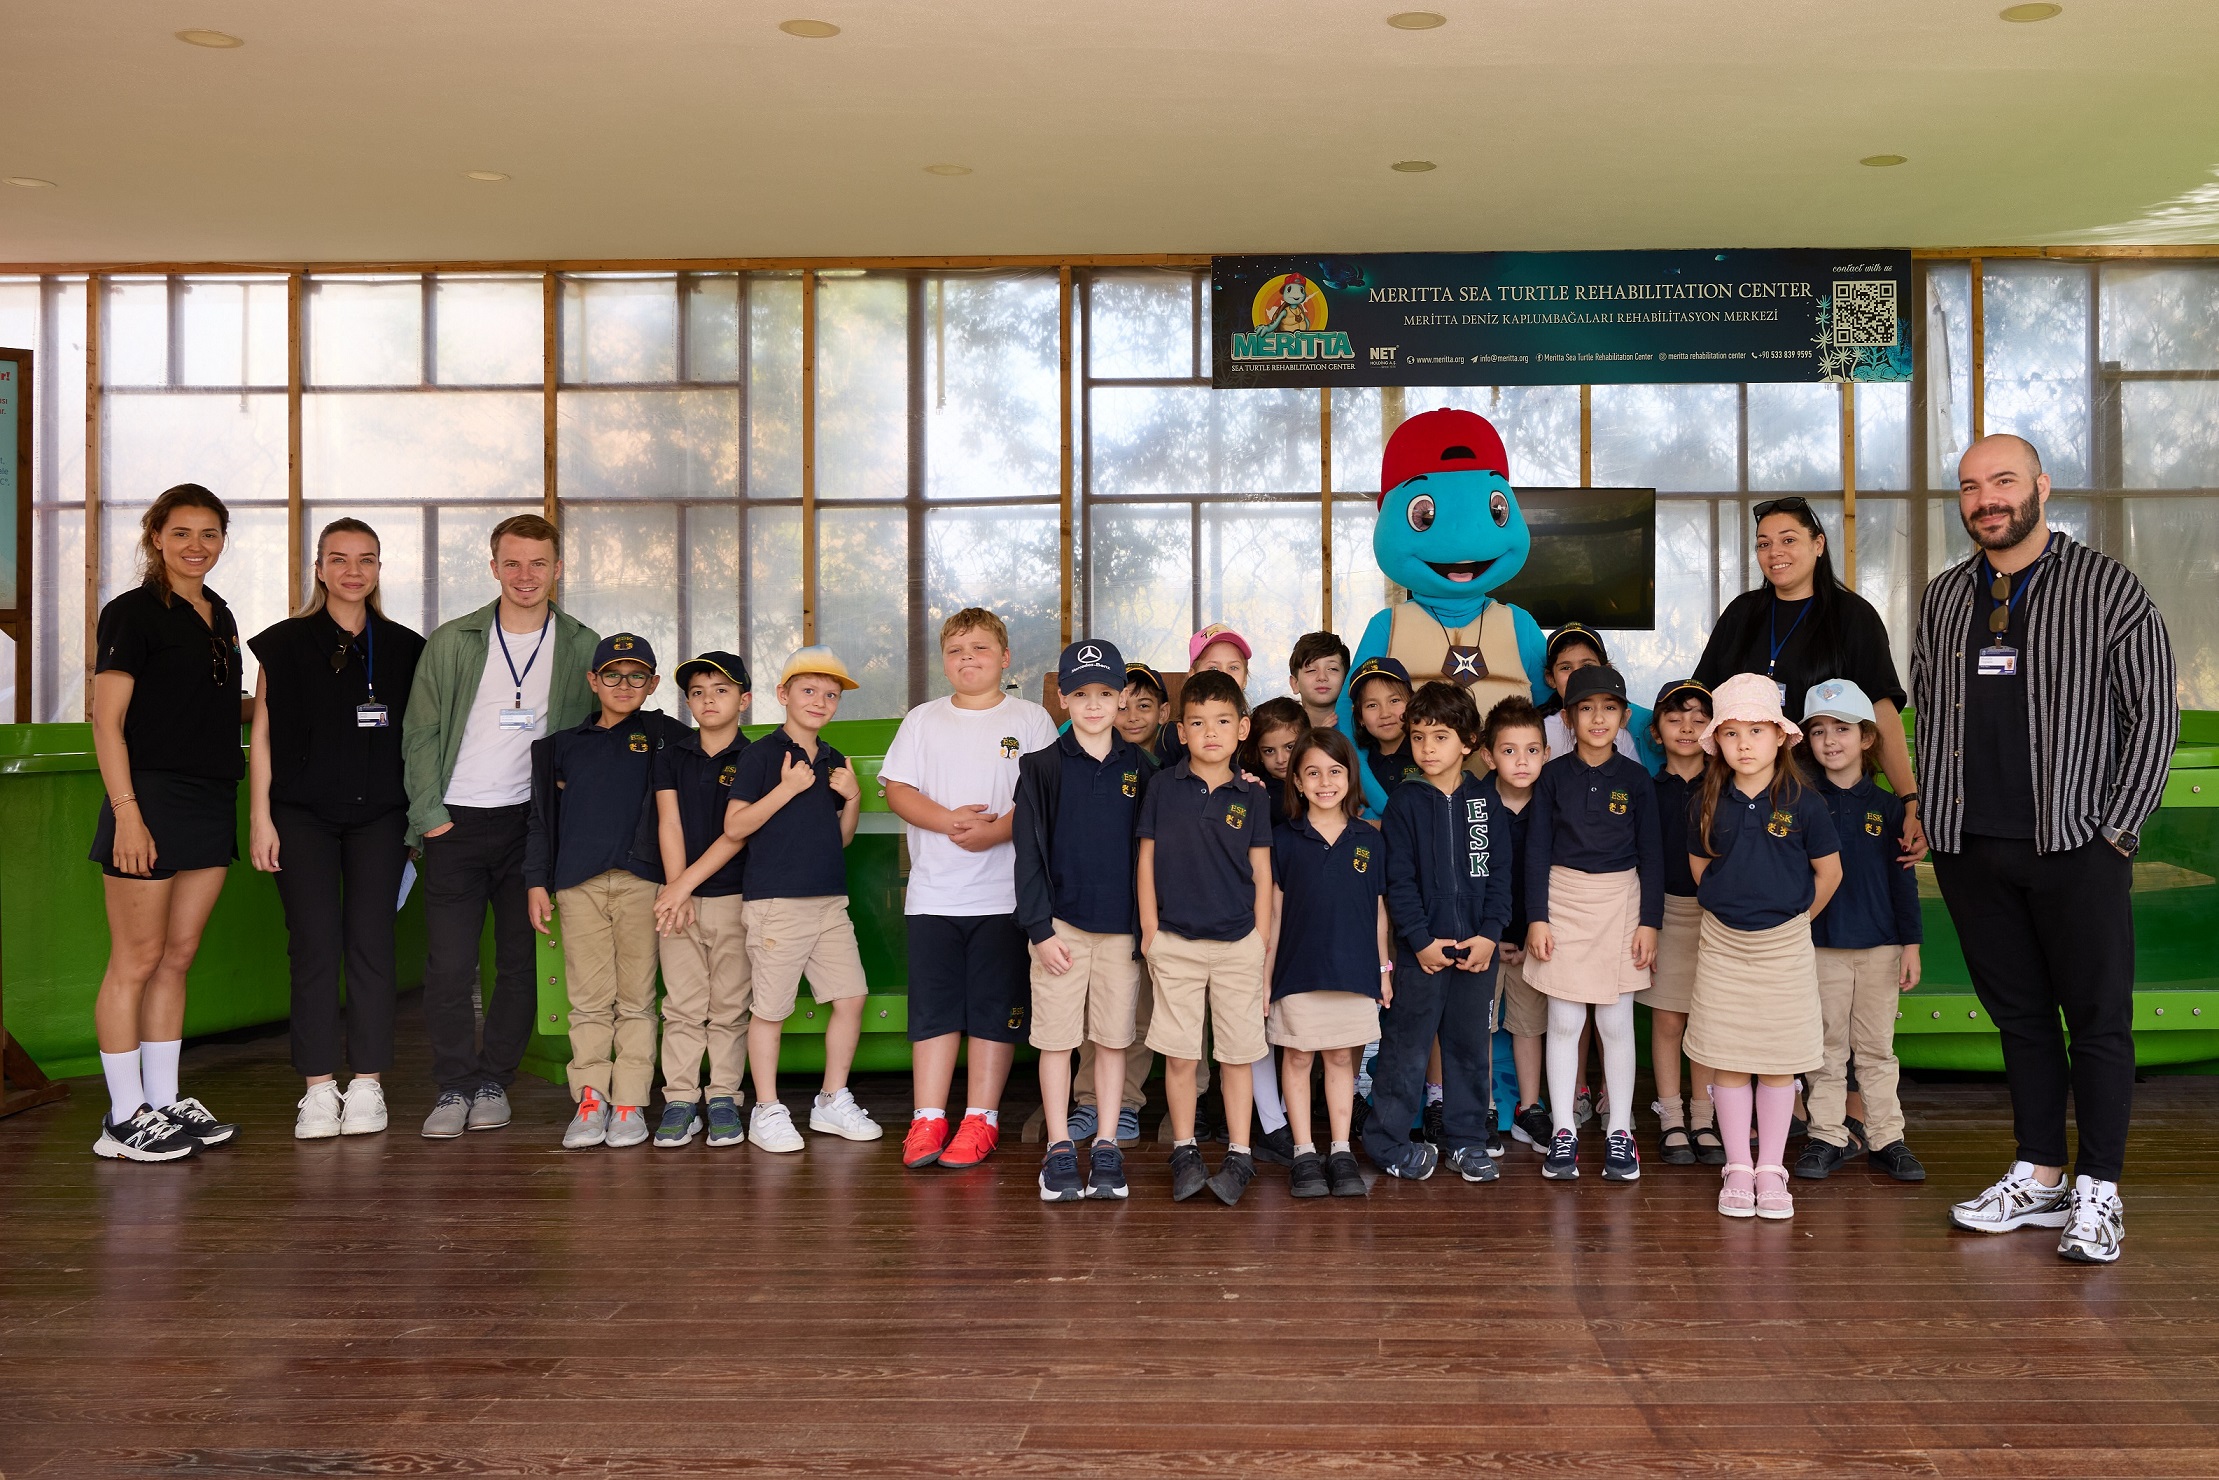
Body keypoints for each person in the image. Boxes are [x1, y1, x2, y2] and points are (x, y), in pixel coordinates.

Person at [1915, 433, 2176, 1264]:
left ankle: (2099, 1189)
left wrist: (2116, 829)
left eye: (2002, 481)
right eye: (1969, 487)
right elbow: (1929, 710)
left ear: (2040, 486)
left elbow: (2152, 714)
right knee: (2020, 1019)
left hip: (2075, 843)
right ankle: (2037, 1174)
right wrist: (1933, 813)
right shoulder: (1942, 597)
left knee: (2096, 1020)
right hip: (1970, 846)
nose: (1985, 499)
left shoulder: (2107, 587)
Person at [403, 514, 599, 1140]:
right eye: (512, 563)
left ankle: (494, 1081)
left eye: (538, 563)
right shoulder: (454, 640)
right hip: (455, 823)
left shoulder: (581, 644)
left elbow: (597, 734)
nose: (525, 575)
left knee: (519, 963)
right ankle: (453, 1084)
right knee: (449, 966)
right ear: (493, 567)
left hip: (531, 828)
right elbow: (420, 733)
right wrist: (429, 817)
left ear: (557, 569)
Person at [248, 517, 425, 1141]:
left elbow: (421, 738)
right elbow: (262, 735)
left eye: (366, 559)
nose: (353, 571)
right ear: (319, 568)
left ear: (379, 569)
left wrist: (418, 823)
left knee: (372, 945)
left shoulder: (405, 647)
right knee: (314, 946)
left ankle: (369, 1084)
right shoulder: (283, 643)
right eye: (339, 558)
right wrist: (261, 818)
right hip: (301, 817)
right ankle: (319, 1088)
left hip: (382, 817)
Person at [87, 484, 247, 1161]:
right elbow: (107, 722)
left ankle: (162, 1100)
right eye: (181, 532)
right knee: (137, 959)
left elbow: (212, 706)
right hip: (148, 798)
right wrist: (128, 814)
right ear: (156, 537)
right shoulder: (131, 613)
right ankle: (123, 1118)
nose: (196, 546)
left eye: (209, 533)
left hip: (211, 798)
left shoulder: (220, 613)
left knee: (177, 957)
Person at [882, 609, 1060, 1171]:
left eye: (980, 648)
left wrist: (995, 831)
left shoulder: (1031, 719)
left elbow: (1042, 798)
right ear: (943, 661)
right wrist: (948, 821)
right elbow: (898, 790)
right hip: (933, 895)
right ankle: (927, 1118)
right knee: (934, 1011)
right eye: (956, 649)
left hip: (1005, 898)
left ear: (1004, 658)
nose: (968, 658)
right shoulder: (922, 720)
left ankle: (981, 1118)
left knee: (992, 1010)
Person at [1681, 674, 1841, 1222]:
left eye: (1756, 730)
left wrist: (1793, 922)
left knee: (1778, 1062)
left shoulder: (1805, 802)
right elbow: (1701, 868)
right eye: (1731, 733)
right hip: (1722, 946)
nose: (1744, 744)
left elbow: (1829, 873)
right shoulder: (1706, 800)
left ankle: (1771, 1168)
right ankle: (1738, 1167)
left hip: (1784, 948)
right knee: (1727, 1059)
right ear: (1718, 743)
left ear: (1779, 736)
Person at [1694, 495, 1924, 859]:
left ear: (1818, 544)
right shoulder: (1742, 613)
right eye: (1763, 544)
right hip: (1743, 796)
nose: (1774, 552)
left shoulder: (1854, 617)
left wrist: (1909, 799)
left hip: (1828, 798)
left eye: (1788, 540)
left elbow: (1880, 712)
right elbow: (1702, 701)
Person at [526, 633, 686, 1151]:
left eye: (637, 675)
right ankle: (591, 1099)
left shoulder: (666, 736)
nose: (624, 684)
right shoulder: (560, 747)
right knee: (589, 1000)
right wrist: (536, 880)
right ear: (593, 681)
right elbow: (541, 820)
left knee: (637, 999)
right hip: (579, 884)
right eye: (612, 675)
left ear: (653, 684)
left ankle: (630, 1103)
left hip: (645, 882)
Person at [723, 647, 876, 1151]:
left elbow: (842, 839)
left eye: (830, 695)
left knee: (851, 998)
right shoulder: (760, 755)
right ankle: (766, 1109)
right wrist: (786, 789)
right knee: (771, 1009)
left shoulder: (832, 758)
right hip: (777, 904)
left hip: (829, 902)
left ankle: (832, 1100)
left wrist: (852, 798)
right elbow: (735, 826)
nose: (820, 701)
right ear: (783, 695)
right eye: (808, 690)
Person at [1014, 639, 1151, 1202]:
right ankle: (1059, 1147)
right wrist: (1040, 931)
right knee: (1056, 1040)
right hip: (1060, 930)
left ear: (1121, 698)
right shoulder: (1041, 767)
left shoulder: (1142, 768)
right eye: (1081, 694)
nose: (1093, 704)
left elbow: (1154, 853)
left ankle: (1107, 1145)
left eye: (1105, 693)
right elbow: (1027, 855)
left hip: (1120, 933)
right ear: (1063, 700)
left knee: (1113, 1040)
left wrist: (1146, 931)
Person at [1137, 668, 1274, 1206]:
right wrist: (1151, 932)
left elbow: (1261, 873)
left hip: (1239, 945)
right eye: (1197, 722)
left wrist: (1260, 940)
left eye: (1221, 721)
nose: (1210, 732)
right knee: (1180, 1056)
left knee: (1237, 1055)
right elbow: (1146, 861)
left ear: (1242, 728)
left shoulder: (1253, 795)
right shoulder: (1161, 787)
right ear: (1181, 730)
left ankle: (1240, 1153)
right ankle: (1185, 1150)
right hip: (1175, 943)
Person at [1523, 665, 1662, 1184]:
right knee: (1564, 1021)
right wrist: (1537, 917)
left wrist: (1650, 923)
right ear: (1567, 718)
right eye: (1586, 708)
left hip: (1622, 902)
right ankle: (1564, 1131)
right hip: (1562, 900)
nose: (1598, 718)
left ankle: (1620, 1130)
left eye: (1609, 708)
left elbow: (1652, 856)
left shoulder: (1636, 779)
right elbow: (1536, 852)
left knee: (1614, 1023)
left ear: (1624, 717)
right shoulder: (1553, 776)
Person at [1370, 682, 1509, 1185]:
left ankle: (1467, 1141)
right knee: (1405, 1050)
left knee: (1470, 1048)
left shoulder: (1486, 801)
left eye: (1441, 736)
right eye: (1418, 736)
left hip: (1478, 951)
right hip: (1421, 953)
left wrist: (1490, 935)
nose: (1427, 748)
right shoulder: (1404, 803)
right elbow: (1398, 881)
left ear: (1469, 741)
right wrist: (1420, 941)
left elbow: (1500, 876)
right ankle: (1387, 1142)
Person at [1796, 678, 1925, 1184]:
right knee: (1825, 1049)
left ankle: (1886, 1137)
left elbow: (1904, 883)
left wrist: (1910, 945)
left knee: (1876, 1050)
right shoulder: (1801, 803)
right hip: (1820, 946)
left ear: (1867, 737)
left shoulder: (1891, 809)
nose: (1831, 740)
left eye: (1843, 729)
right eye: (1819, 731)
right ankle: (1826, 1135)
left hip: (1881, 948)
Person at [1269, 727, 1388, 1199]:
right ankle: (1303, 1152)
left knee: (1341, 1057)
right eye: (1313, 773)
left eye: (1335, 771)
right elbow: (1274, 915)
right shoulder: (1283, 839)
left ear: (1350, 777)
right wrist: (1265, 980)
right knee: (1298, 1056)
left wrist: (1383, 971)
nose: (1325, 782)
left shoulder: (1369, 839)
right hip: (1297, 970)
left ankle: (1340, 1151)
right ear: (1298, 782)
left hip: (1354, 971)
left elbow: (1378, 913)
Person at [648, 653, 755, 1150]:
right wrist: (677, 889)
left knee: (731, 1005)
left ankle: (724, 1097)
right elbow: (668, 821)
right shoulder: (671, 755)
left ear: (744, 700)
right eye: (697, 692)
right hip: (677, 899)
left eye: (721, 690)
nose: (708, 699)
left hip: (736, 896)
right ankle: (680, 1100)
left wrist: (683, 884)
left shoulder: (756, 757)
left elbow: (737, 834)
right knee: (682, 1006)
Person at [1071, 660, 1175, 1142]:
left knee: (1137, 1010)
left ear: (1164, 713)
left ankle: (1126, 1101)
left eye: (1145, 705)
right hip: (1093, 908)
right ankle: (1088, 1101)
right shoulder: (1083, 762)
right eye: (1124, 704)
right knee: (1091, 1010)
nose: (1132, 716)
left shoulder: (1164, 772)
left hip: (1147, 911)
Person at [1645, 678, 1719, 1166]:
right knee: (1669, 1018)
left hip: (1718, 916)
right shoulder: (1646, 789)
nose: (1687, 727)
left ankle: (1704, 1117)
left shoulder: (1726, 786)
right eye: (1674, 719)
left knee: (1708, 1021)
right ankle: (1671, 1115)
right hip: (1666, 912)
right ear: (1656, 732)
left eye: (1699, 718)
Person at [1481, 695, 1552, 1154]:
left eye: (1531, 750)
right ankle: (1485, 1108)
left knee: (1529, 1026)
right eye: (1509, 751)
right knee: (1481, 1026)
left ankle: (1529, 1108)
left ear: (1547, 753)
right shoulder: (1474, 803)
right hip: (1484, 940)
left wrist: (1531, 932)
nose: (1521, 761)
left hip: (1533, 939)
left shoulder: (1551, 804)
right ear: (1488, 756)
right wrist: (1490, 937)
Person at [1537, 624, 1644, 765]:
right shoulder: (1540, 731)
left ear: (1606, 671)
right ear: (1551, 678)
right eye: (1566, 667)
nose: (1577, 675)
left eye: (1587, 666)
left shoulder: (1618, 730)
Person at [1349, 655, 1421, 817]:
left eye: (1394, 700)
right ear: (1360, 717)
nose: (1385, 713)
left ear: (1411, 703)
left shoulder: (1427, 755)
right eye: (1372, 705)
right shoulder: (1359, 766)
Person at [1240, 697, 1307, 832]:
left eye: (1290, 747)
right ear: (1258, 753)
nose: (1280, 759)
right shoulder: (1260, 792)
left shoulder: (1321, 783)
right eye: (1269, 751)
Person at [1288, 630, 1350, 730]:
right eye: (1311, 670)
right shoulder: (1283, 733)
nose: (1322, 677)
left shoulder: (1361, 728)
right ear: (1295, 683)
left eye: (1332, 669)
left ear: (1346, 680)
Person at [1111, 662, 1169, 767]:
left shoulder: (1178, 762)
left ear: (1162, 713)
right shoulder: (1104, 767)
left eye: (1143, 706)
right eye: (1122, 708)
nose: (1133, 717)